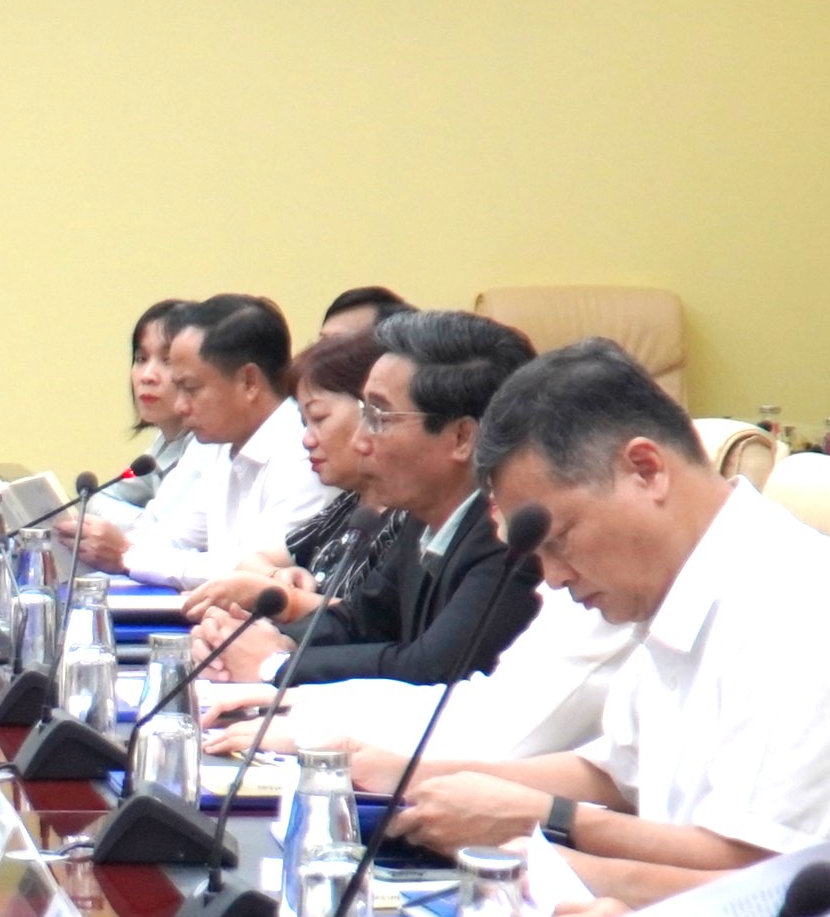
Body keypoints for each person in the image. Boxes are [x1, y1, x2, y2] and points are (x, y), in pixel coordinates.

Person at [370, 340, 830, 899]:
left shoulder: (794, 602)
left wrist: (548, 827)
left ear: (645, 470)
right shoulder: (677, 586)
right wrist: (412, 779)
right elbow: (617, 774)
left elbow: (758, 875)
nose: (554, 579)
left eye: (560, 540)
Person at [255, 308, 546, 688]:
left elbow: (430, 669)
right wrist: (268, 641)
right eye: (365, 413)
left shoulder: (511, 539)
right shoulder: (421, 516)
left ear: (462, 437)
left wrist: (276, 665)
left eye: (380, 417)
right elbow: (359, 621)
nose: (359, 441)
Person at [184, 328, 402, 681]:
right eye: (303, 423)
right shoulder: (347, 507)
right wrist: (272, 581)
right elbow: (251, 561)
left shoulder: (407, 519)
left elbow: (381, 625)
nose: (307, 440)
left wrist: (282, 598)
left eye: (319, 419)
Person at [81, 295, 327, 590]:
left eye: (191, 388)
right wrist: (101, 546)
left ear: (249, 382)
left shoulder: (307, 453)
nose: (181, 406)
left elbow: (251, 570)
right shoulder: (221, 445)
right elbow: (174, 537)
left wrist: (127, 555)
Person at [89, 300, 199, 513]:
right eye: (141, 359)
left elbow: (167, 526)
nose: (147, 376)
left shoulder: (207, 449)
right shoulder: (162, 444)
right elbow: (100, 498)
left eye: (167, 360)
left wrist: (131, 526)